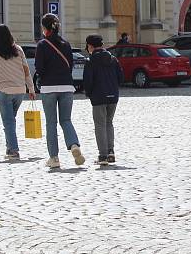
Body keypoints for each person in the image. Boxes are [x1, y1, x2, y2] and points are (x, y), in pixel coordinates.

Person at [35, 13, 85, 169]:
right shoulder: (66, 44)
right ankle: (74, 145)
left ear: (44, 28)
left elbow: (39, 68)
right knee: (66, 120)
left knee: (51, 123)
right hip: (66, 86)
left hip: (49, 87)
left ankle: (54, 158)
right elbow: (70, 65)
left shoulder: (42, 45)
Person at [0, 24, 36, 160]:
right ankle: (9, 147)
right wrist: (31, 88)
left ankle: (13, 150)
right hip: (19, 91)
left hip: (5, 91)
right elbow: (26, 70)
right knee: (11, 120)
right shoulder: (18, 50)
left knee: (8, 122)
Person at [83, 34, 124, 166]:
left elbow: (88, 81)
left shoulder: (90, 61)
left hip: (98, 97)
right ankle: (111, 152)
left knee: (100, 125)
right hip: (113, 96)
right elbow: (121, 78)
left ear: (90, 46)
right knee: (109, 123)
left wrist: (89, 94)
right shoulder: (113, 59)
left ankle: (103, 156)